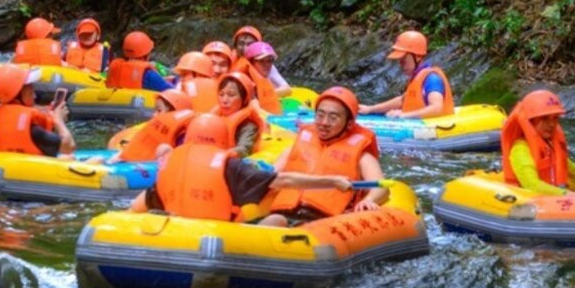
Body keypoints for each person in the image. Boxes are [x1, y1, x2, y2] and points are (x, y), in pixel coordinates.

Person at [129, 113, 356, 221]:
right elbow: (283, 181)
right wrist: (333, 181)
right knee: (277, 220)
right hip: (213, 235)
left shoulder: (170, 161)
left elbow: (144, 201)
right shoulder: (230, 165)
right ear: (221, 139)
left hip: (169, 227)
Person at [263, 86, 388, 227]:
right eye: (320, 115)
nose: (324, 123)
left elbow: (381, 186)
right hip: (286, 212)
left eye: (333, 117)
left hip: (325, 220)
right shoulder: (296, 146)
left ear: (349, 123)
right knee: (273, 221)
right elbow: (269, 177)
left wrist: (369, 199)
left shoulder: (362, 156)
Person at [500, 89, 575, 195]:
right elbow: (532, 185)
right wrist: (569, 195)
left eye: (555, 118)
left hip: (555, 199)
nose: (551, 124)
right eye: (545, 118)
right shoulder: (520, 149)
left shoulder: (551, 147)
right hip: (528, 204)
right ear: (530, 121)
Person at [0, 63, 75, 157]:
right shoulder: (32, 129)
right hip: (33, 170)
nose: (34, 94)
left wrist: (51, 118)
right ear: (17, 93)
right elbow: (68, 146)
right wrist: (59, 121)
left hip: (9, 167)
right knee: (70, 157)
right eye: (30, 90)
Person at [358, 31, 453, 119]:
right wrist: (370, 109)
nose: (401, 65)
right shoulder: (417, 77)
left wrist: (404, 115)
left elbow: (437, 108)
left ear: (418, 57)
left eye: (404, 61)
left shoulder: (432, 79)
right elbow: (402, 100)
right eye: (399, 61)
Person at [108, 88, 194, 163]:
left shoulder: (183, 139)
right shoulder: (155, 130)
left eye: (159, 110)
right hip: (138, 163)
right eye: (155, 110)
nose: (153, 115)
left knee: (164, 149)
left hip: (153, 170)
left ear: (174, 114)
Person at [210, 72, 264, 156]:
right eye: (221, 94)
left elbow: (244, 149)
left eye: (231, 95)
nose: (224, 100)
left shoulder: (248, 127)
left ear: (245, 99)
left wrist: (220, 156)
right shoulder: (213, 117)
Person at [106, 31, 174, 91]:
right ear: (146, 54)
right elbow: (171, 92)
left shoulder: (115, 67)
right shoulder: (149, 75)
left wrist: (163, 80)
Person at [234, 42, 285, 113]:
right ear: (251, 62)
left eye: (270, 60)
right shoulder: (243, 82)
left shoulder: (263, 78)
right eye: (262, 61)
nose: (267, 64)